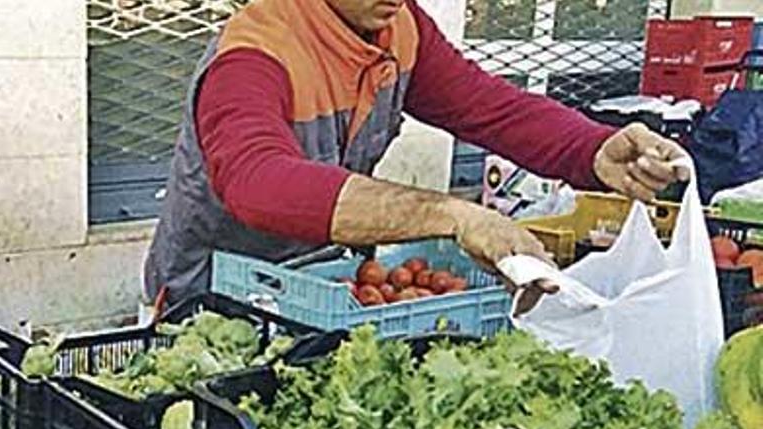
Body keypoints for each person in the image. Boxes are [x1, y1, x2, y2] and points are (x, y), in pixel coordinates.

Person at [143, 0, 691, 307]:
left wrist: (593, 148)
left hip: (328, 288)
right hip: (212, 301)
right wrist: (450, 214)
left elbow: (487, 106)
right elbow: (257, 181)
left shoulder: (398, 25)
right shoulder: (254, 54)